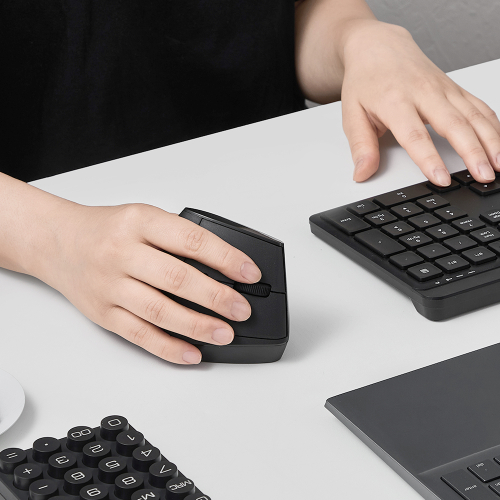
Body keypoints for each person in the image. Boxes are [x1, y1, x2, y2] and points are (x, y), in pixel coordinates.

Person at [1, 0, 499, 364]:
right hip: (39, 253)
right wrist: (53, 239)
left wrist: (359, 38)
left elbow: (284, 21)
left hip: (278, 185)